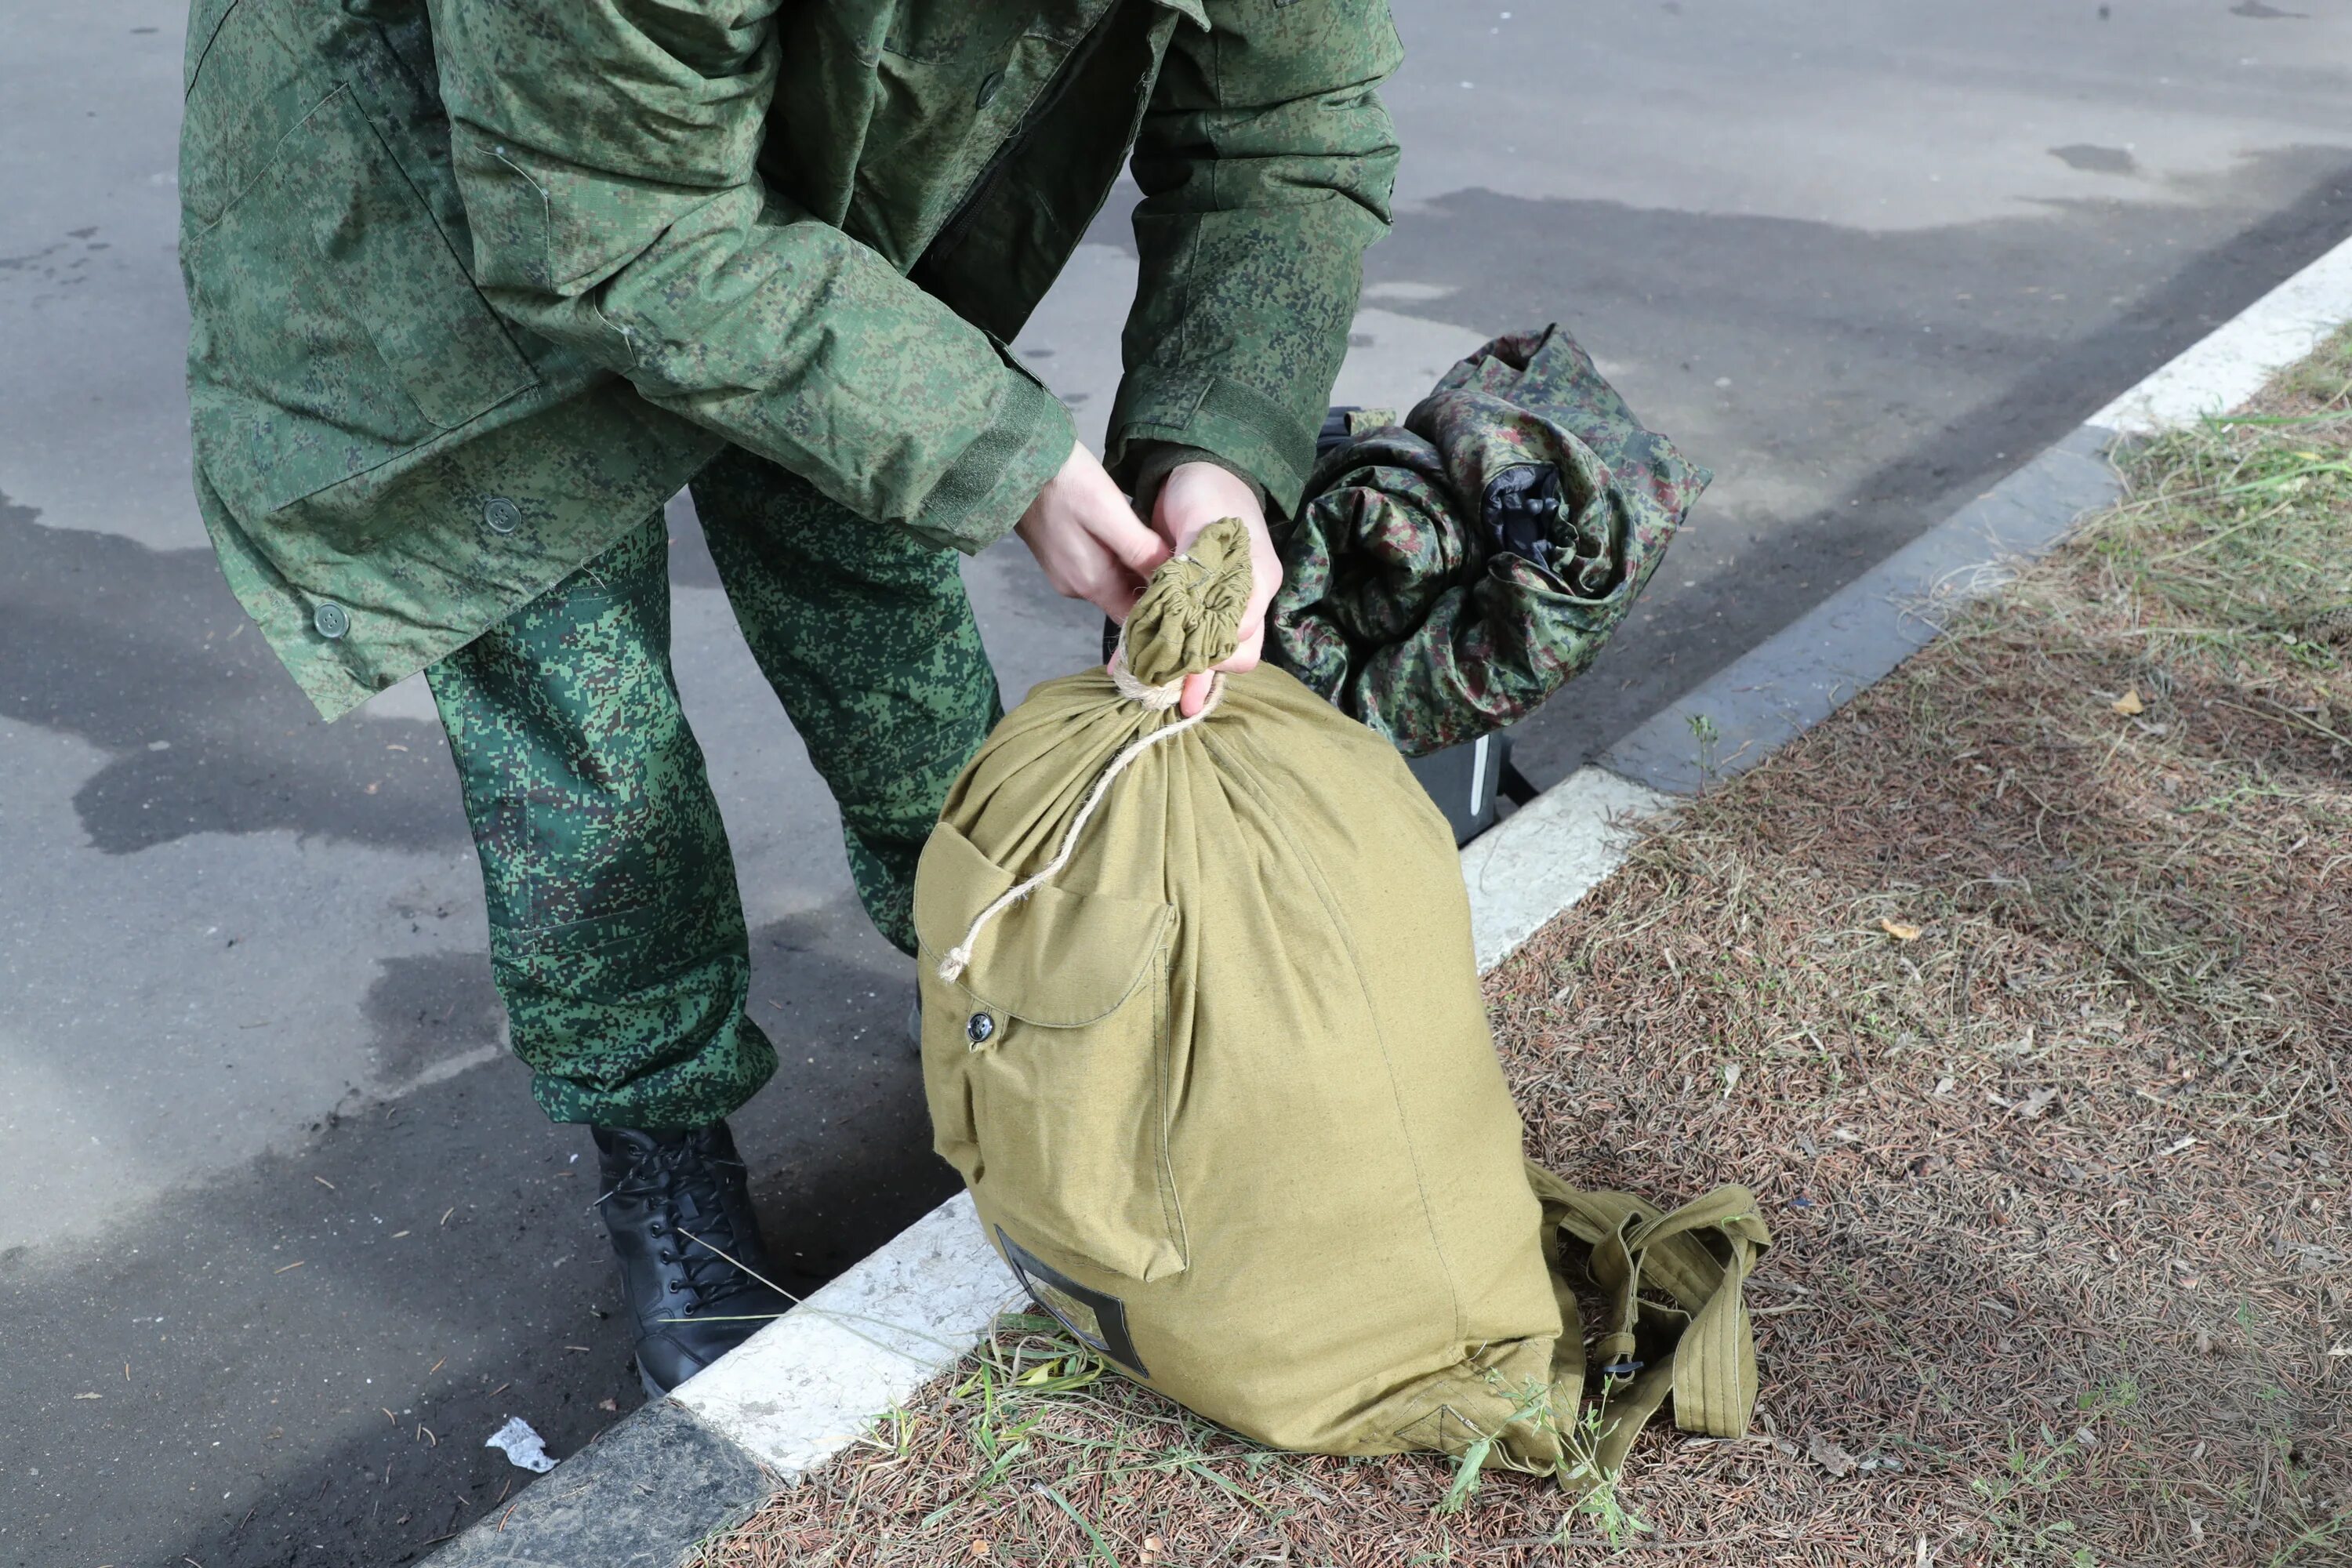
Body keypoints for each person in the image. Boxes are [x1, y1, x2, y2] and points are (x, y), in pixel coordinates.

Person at [178, 0, 1401, 1395]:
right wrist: (1009, 459)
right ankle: (662, 1141)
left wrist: (1220, 447)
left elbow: (1284, 121)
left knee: (870, 559)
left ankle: (1001, 998)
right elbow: (615, 226)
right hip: (444, 171)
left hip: (770, 142)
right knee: (586, 726)